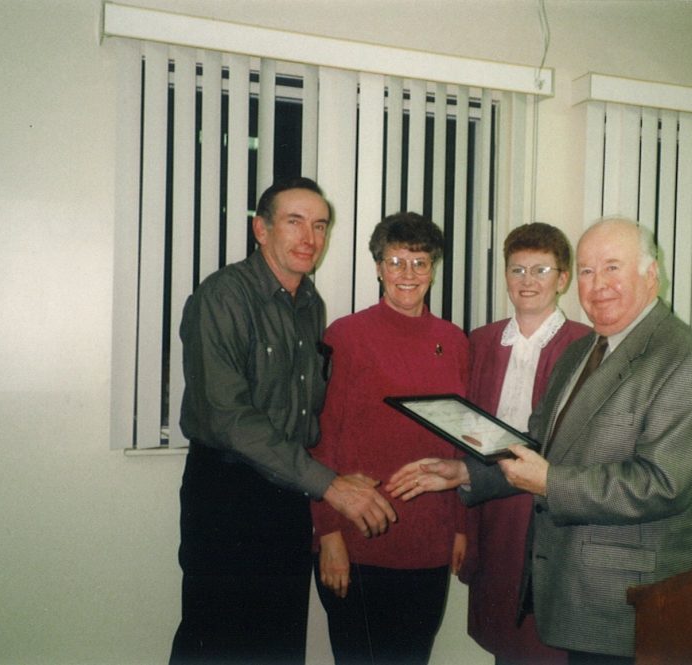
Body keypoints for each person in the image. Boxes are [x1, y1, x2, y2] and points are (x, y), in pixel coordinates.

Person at [388, 218, 692, 664]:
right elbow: (537, 446)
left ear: (651, 274)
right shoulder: (583, 351)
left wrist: (550, 483)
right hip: (572, 592)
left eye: (612, 268)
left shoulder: (687, 362)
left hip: (632, 607)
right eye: (588, 270)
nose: (598, 284)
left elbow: (662, 484)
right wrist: (464, 472)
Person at [170, 178, 397, 665]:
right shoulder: (223, 296)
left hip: (289, 493)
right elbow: (230, 418)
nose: (309, 238)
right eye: (294, 222)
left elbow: (308, 412)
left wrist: (339, 476)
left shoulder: (309, 304)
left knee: (279, 640)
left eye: (320, 225)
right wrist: (330, 485)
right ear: (261, 229)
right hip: (228, 494)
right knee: (218, 642)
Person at [310, 211, 469, 665]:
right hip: (357, 537)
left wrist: (461, 526)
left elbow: (462, 443)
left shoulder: (454, 342)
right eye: (396, 261)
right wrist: (328, 534)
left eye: (420, 262)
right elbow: (322, 439)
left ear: (434, 269)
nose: (408, 274)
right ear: (378, 268)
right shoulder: (346, 336)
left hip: (428, 542)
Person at [462, 223, 590, 665]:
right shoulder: (480, 342)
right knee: (505, 636)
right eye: (517, 269)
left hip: (550, 510)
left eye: (541, 270)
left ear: (563, 278)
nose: (527, 281)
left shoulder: (585, 344)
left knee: (547, 641)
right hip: (491, 506)